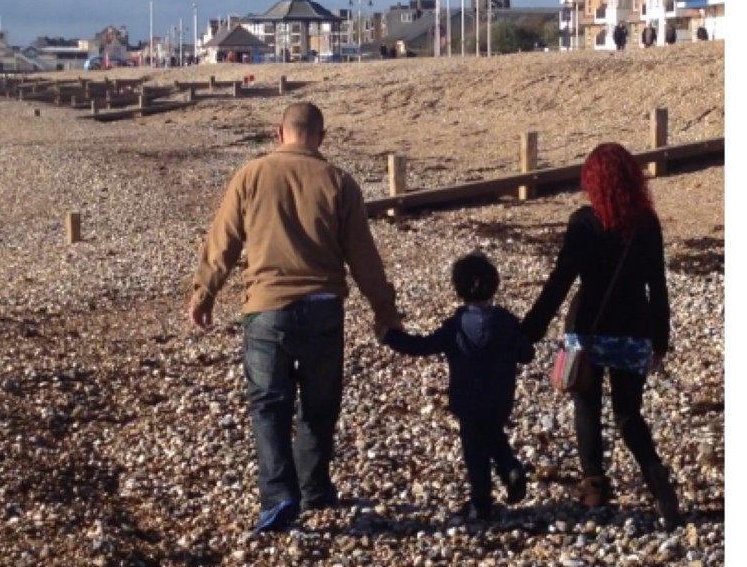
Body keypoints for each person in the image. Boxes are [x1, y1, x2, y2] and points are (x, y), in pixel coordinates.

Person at [188, 101, 399, 533]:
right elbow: (364, 257)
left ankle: (278, 497)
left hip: (267, 309)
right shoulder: (340, 182)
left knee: (269, 406)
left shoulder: (251, 175)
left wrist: (204, 293)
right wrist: (384, 311)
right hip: (324, 308)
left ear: (277, 132)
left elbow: (223, 240)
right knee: (319, 406)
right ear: (321, 136)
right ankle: (314, 489)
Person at [522, 143, 679, 529]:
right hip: (633, 331)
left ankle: (594, 486)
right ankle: (655, 473)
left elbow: (561, 281)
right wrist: (661, 338)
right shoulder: (647, 224)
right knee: (628, 413)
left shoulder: (583, 223)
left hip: (588, 331)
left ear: (591, 182)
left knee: (587, 407)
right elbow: (657, 287)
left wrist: (531, 328)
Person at [379, 252, 533, 521]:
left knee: (476, 453)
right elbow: (527, 354)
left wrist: (390, 336)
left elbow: (422, 346)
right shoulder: (506, 321)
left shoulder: (456, 326)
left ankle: (481, 504)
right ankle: (511, 469)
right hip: (500, 398)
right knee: (493, 433)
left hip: (468, 399)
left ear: (458, 289)